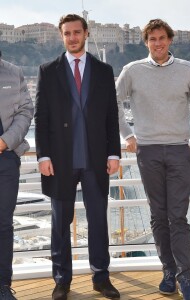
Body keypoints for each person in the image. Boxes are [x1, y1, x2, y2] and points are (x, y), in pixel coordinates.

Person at [116, 19, 190, 300]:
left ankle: (186, 278)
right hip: (148, 151)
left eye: (162, 38)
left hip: (180, 151)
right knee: (158, 216)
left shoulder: (187, 69)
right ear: (146, 42)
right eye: (152, 39)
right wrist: (128, 135)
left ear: (170, 40)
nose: (157, 43)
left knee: (178, 217)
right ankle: (168, 272)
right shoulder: (132, 71)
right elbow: (113, 103)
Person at [34, 14, 121, 300]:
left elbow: (111, 116)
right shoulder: (48, 71)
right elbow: (41, 117)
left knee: (98, 221)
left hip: (96, 160)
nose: (72, 37)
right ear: (62, 36)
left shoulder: (104, 70)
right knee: (60, 224)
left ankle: (101, 277)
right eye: (67, 33)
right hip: (60, 160)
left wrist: (113, 153)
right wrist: (43, 155)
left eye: (76, 32)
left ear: (86, 33)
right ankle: (61, 280)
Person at [0, 50, 33, 299]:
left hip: (6, 158)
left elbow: (25, 111)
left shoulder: (14, 72)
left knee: (3, 224)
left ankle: (2, 285)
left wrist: (4, 142)